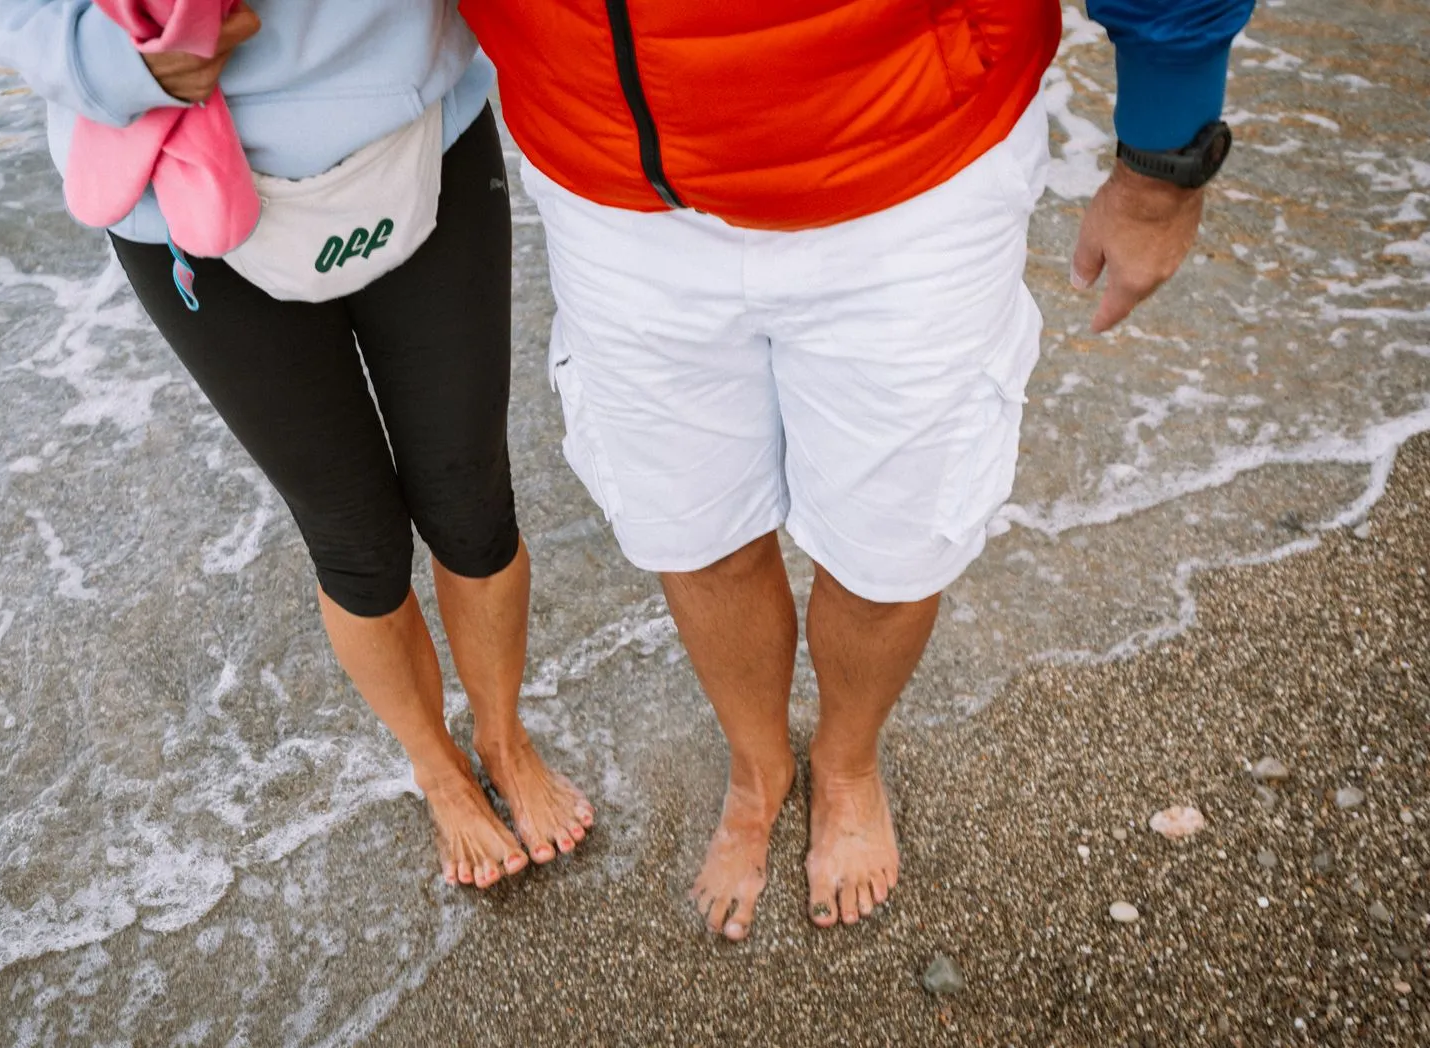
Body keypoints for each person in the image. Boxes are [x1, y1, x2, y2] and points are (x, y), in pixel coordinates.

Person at [459, 0, 1253, 938]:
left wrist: (1163, 156)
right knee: (694, 529)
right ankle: (760, 768)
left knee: (894, 550)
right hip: (604, 179)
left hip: (911, 176)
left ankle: (846, 760)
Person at [0, 0, 593, 889]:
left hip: (416, 124)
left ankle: (504, 739)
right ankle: (437, 765)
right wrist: (97, 59)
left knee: (471, 503)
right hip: (176, 176)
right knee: (355, 538)